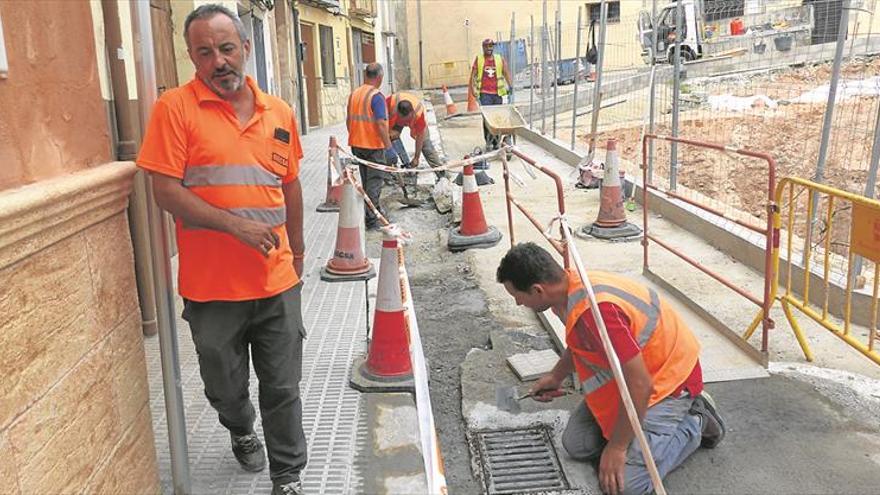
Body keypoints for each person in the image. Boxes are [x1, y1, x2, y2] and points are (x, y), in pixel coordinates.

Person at [136, 5, 307, 495]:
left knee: (283, 386)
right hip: (211, 286)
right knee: (225, 387)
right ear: (192, 57)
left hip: (275, 280)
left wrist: (296, 253)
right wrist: (236, 227)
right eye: (205, 52)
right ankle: (239, 426)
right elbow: (166, 191)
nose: (219, 61)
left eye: (227, 48)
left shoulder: (279, 112)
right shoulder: (175, 110)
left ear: (245, 49)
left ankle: (288, 476)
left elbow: (290, 186)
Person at [496, 243, 726, 495]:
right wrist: (556, 376)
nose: (518, 303)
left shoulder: (597, 313)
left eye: (517, 296)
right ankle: (638, 439)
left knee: (627, 486)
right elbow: (581, 344)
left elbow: (641, 385)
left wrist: (617, 447)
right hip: (632, 380)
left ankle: (696, 422)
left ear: (538, 290)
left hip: (668, 382)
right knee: (577, 445)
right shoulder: (569, 292)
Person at [347, 63, 395, 229]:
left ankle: (371, 211)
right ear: (380, 77)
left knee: (366, 181)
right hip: (373, 146)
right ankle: (372, 219)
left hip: (357, 144)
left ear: (366, 75)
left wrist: (355, 136)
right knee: (374, 182)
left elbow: (349, 120)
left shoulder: (354, 94)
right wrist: (389, 148)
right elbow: (381, 124)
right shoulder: (376, 96)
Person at [386, 92, 446, 178]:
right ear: (398, 114)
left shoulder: (418, 113)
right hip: (394, 121)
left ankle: (440, 172)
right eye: (404, 120)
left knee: (426, 145)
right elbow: (379, 122)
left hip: (410, 119)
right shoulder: (389, 104)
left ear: (412, 113)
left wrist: (416, 158)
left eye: (408, 120)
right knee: (390, 139)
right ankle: (388, 169)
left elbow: (420, 137)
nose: (406, 123)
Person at [469, 38, 513, 150]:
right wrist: (472, 89)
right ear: (483, 47)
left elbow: (506, 72)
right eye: (487, 46)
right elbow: (473, 75)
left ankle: (496, 141)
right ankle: (488, 140)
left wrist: (510, 85)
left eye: (491, 46)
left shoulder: (499, 59)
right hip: (484, 94)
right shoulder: (479, 59)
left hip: (497, 94)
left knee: (497, 118)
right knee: (487, 119)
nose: (489, 48)